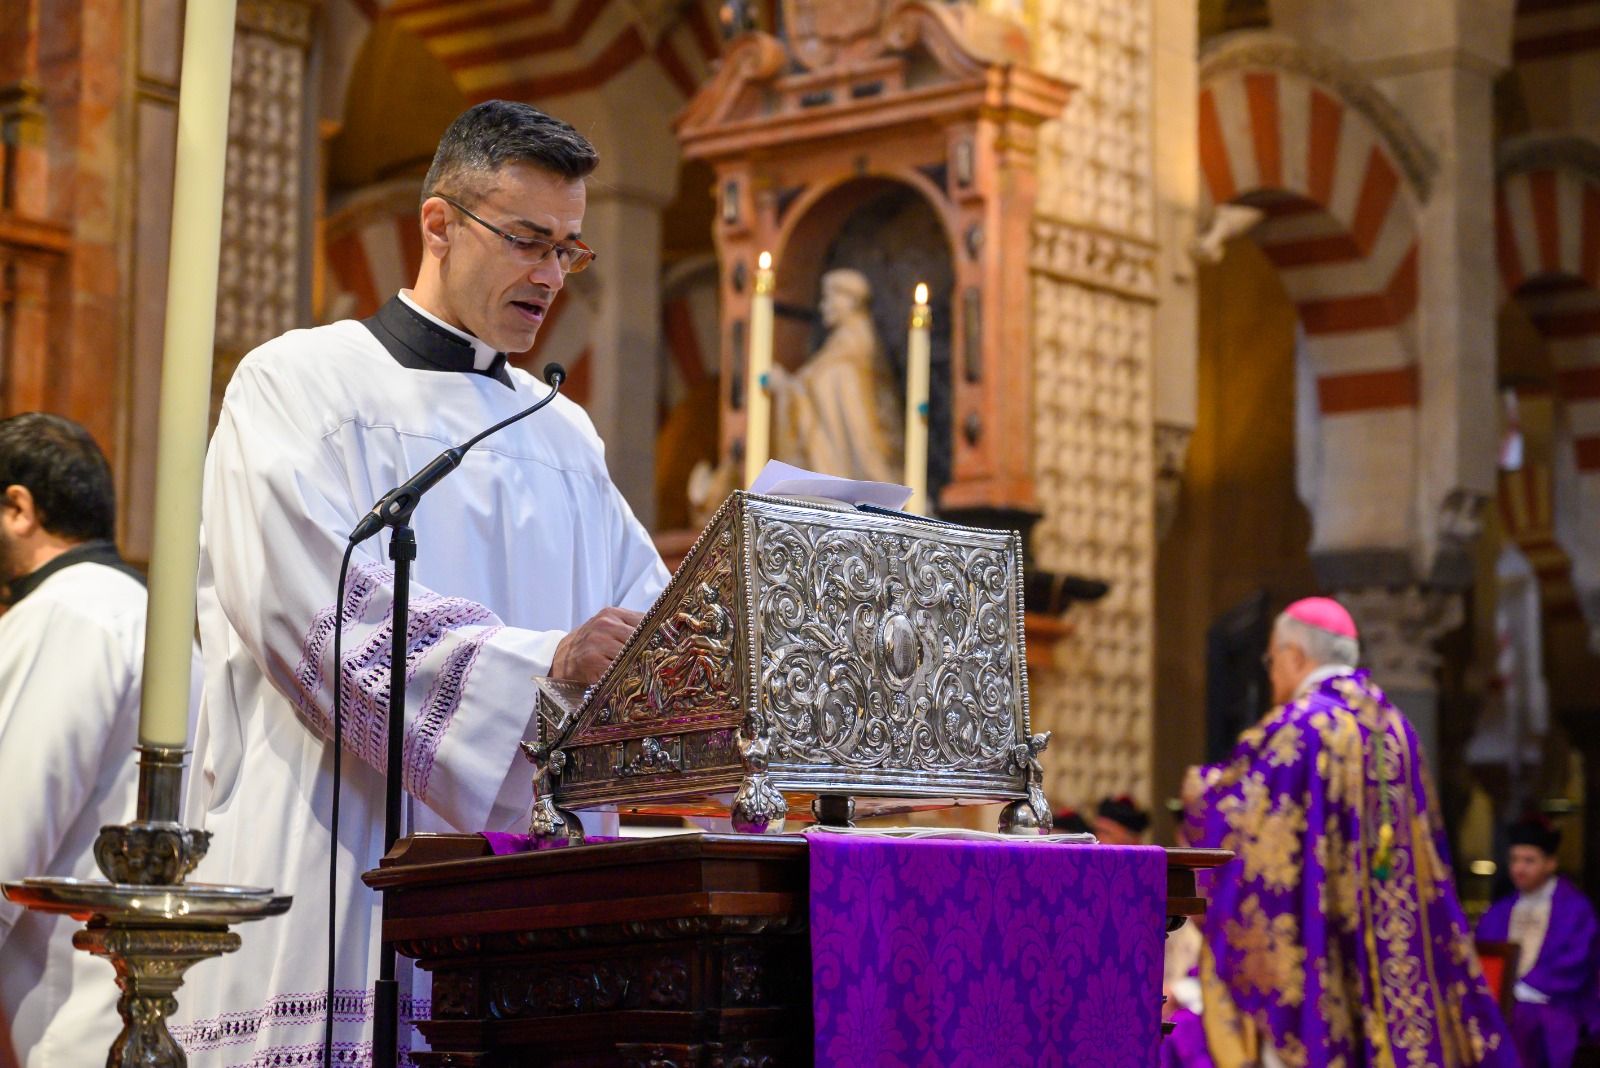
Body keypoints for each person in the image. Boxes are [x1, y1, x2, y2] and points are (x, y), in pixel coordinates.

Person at [173, 101, 670, 1064]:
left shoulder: (562, 430)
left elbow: (651, 619)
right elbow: (307, 610)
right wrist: (543, 666)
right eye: (528, 240)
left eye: (569, 251)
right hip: (338, 853)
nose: (549, 276)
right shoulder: (298, 384)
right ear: (438, 224)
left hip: (530, 903)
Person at [1181, 597, 1513, 1067]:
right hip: (1388, 938)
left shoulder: (1299, 727)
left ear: (1295, 657)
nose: (1272, 672)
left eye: (1272, 659)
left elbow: (1245, 832)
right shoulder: (1395, 728)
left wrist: (1200, 792)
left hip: (1318, 936)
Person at [0, 413, 202, 1068]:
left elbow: (11, 820)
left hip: (77, 1009)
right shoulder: (145, 613)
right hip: (145, 997)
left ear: (18, 508)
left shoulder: (65, 613)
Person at [1476, 815, 1600, 1067]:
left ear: (1551, 863)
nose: (1518, 869)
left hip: (1557, 1005)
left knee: (1520, 1020)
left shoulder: (1575, 909)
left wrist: (1521, 990)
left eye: (1529, 861)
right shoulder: (1499, 911)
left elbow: (1576, 962)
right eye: (1514, 860)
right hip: (1505, 1003)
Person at [771, 268, 902, 483]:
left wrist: (788, 386)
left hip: (857, 463)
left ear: (850, 301)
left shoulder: (853, 354)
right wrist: (785, 386)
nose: (824, 306)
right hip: (836, 465)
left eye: (830, 298)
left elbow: (857, 429)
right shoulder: (837, 348)